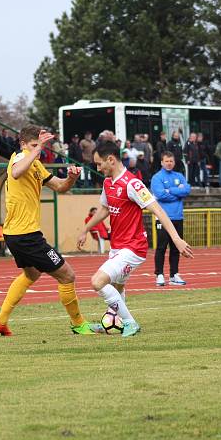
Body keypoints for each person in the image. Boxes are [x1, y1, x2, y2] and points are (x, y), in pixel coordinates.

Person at [0, 124, 99, 336]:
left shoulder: (36, 165)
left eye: (38, 145)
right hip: (25, 234)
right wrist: (36, 149)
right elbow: (16, 172)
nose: (37, 149)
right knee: (67, 275)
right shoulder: (18, 158)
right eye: (33, 145)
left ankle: (0, 322)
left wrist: (71, 179)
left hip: (16, 234)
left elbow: (59, 187)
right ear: (23, 145)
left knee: (31, 274)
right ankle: (79, 325)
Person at [77, 141, 193, 337]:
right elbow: (105, 209)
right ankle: (113, 322)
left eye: (99, 164)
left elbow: (158, 210)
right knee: (116, 287)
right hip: (118, 246)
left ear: (111, 160)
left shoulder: (132, 184)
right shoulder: (107, 183)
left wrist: (176, 239)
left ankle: (131, 323)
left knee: (97, 282)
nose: (97, 168)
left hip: (133, 248)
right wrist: (85, 229)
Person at [150, 151, 191, 287]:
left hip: (178, 217)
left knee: (176, 247)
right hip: (162, 217)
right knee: (161, 247)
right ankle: (159, 275)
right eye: (166, 161)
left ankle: (174, 275)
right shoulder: (157, 177)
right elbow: (160, 195)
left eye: (171, 161)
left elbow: (187, 190)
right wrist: (177, 191)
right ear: (162, 162)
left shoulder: (179, 175)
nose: (169, 163)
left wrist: (170, 190)